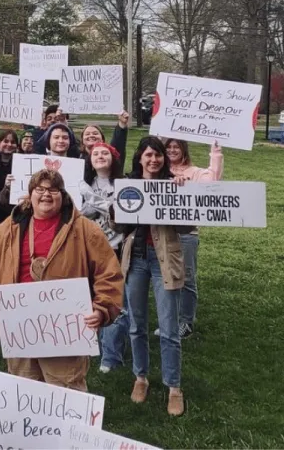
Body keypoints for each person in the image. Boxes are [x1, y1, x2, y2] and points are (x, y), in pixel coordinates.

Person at [0, 169, 123, 392]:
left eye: (53, 190)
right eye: (39, 189)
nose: (46, 194)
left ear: (63, 195)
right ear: (30, 195)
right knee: (25, 393)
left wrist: (102, 308)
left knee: (66, 393)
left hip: (65, 332)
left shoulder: (84, 229)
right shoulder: (10, 228)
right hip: (19, 328)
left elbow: (109, 272)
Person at [118, 136, 189, 416]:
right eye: (148, 155)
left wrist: (178, 196)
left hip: (163, 260)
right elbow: (119, 224)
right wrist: (120, 204)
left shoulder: (175, 184)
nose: (153, 160)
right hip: (135, 260)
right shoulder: (128, 184)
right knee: (136, 324)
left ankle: (174, 387)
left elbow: (186, 227)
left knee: (169, 328)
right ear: (140, 158)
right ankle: (141, 378)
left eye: (158, 155)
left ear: (164, 159)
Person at [165, 138, 223, 339]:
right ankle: (171, 322)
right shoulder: (160, 171)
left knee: (187, 279)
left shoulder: (195, 172)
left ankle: (186, 322)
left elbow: (213, 181)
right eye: (169, 147)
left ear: (184, 150)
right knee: (167, 279)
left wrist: (215, 151)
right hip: (163, 235)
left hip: (187, 234)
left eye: (176, 147)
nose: (172, 150)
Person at [78, 142, 128, 373]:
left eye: (105, 153)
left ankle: (111, 355)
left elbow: (120, 215)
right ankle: (88, 345)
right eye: (95, 153)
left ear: (113, 158)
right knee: (88, 300)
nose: (99, 156)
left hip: (115, 250)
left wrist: (92, 200)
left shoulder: (124, 184)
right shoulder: (82, 183)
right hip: (88, 250)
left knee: (113, 301)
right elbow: (77, 214)